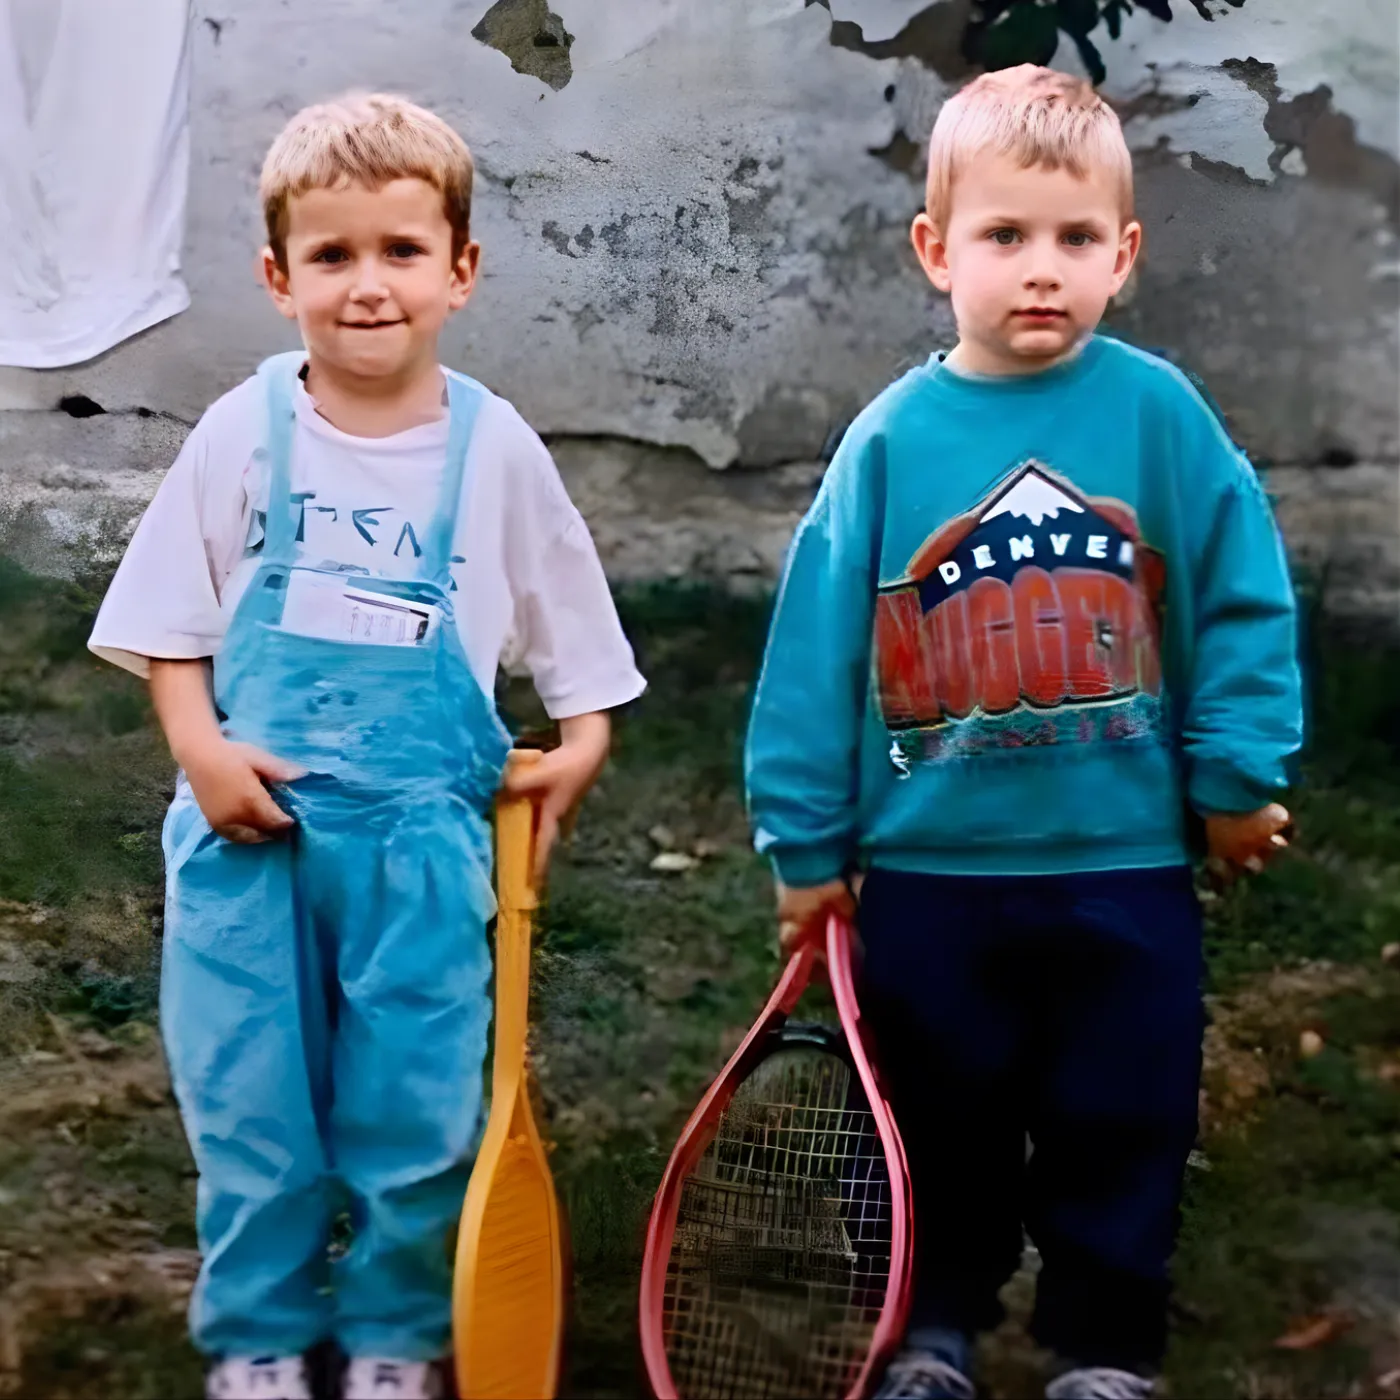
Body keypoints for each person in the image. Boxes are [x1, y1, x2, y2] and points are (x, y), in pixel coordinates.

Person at [744, 65, 1302, 1400]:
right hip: (931, 873)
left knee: (1125, 1115)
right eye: (1004, 235)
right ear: (937, 251)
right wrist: (805, 845)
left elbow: (1242, 596)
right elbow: (813, 656)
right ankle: (928, 1329)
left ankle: (1103, 1344)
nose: (1041, 268)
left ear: (1124, 253)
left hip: (1124, 864)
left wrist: (1234, 776)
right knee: (933, 1117)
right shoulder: (891, 442)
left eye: (1073, 238)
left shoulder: (1159, 416)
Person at [89, 92, 645, 1400]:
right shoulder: (243, 434)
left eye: (402, 250)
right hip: (250, 850)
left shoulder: (494, 452)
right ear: (280, 278)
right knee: (249, 1109)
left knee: (417, 1106)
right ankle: (260, 1334)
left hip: (419, 851)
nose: (368, 285)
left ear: (461, 269)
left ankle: (397, 1331)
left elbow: (571, 618)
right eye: (332, 255)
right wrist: (202, 753)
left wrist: (582, 738)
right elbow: (170, 624)